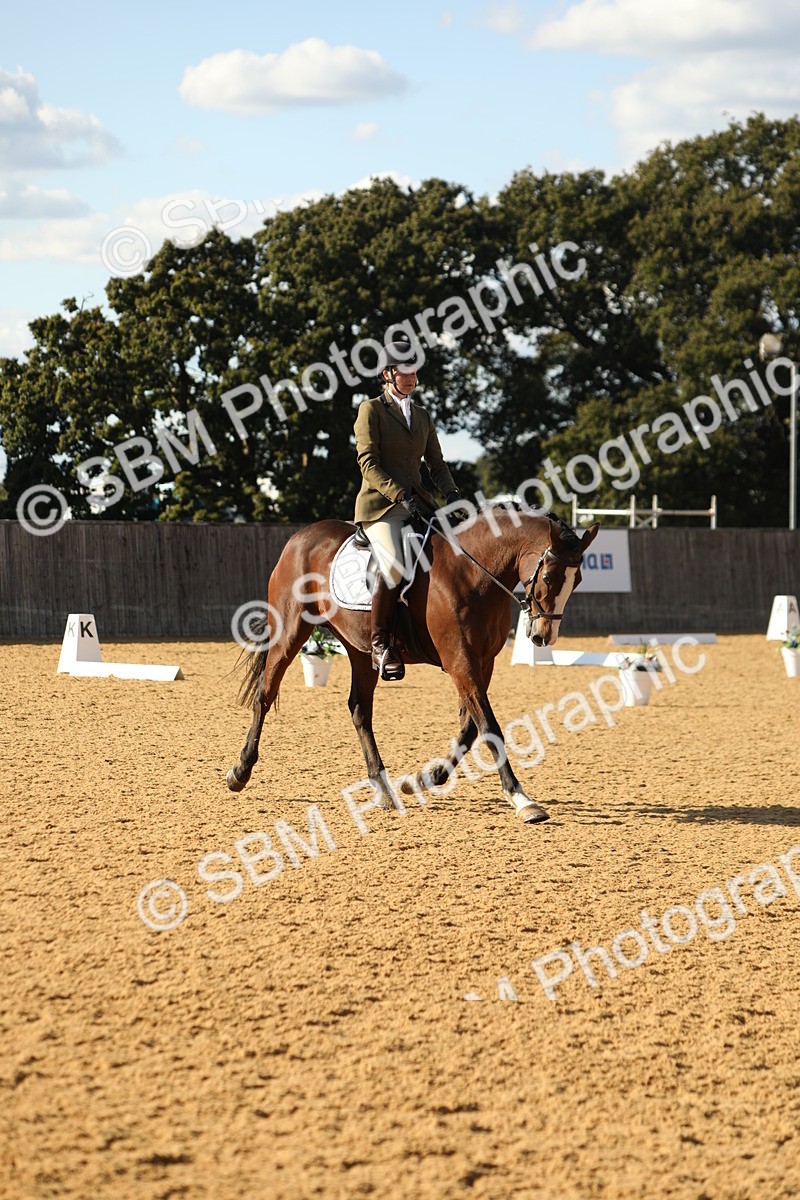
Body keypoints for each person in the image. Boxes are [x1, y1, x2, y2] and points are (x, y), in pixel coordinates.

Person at [353, 337, 462, 681]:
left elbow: (437, 464)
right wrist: (400, 495)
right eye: (404, 372)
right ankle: (381, 643)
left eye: (414, 371)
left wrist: (452, 493)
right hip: (381, 507)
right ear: (388, 374)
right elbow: (368, 464)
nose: (411, 377)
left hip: (419, 503)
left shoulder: (423, 415)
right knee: (396, 564)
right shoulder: (371, 410)